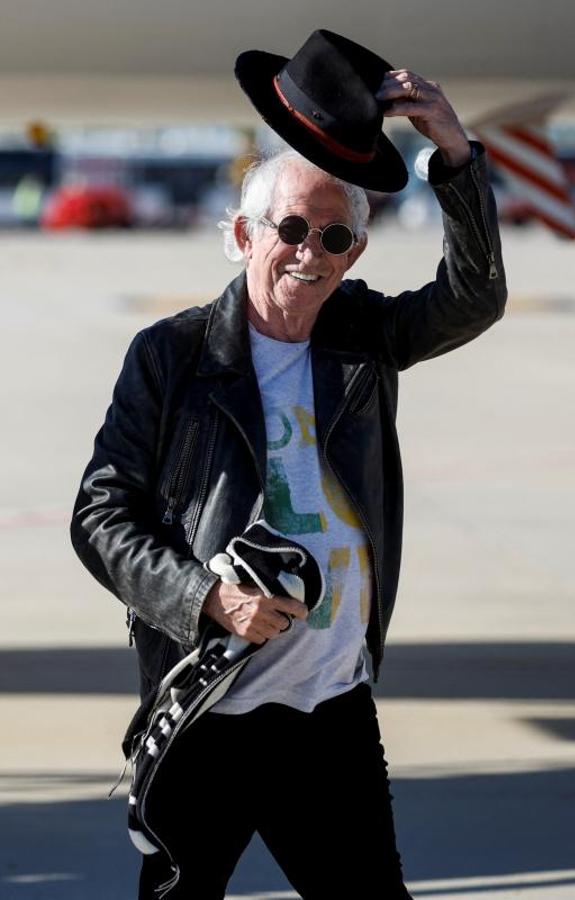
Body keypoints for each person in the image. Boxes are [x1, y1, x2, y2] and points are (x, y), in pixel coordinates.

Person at [71, 30, 506, 900]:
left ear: (356, 253)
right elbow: (100, 515)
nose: (310, 254)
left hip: (330, 713)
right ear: (242, 234)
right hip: (208, 713)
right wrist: (206, 598)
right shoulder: (172, 355)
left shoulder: (363, 337)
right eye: (293, 229)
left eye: (334, 237)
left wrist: (455, 158)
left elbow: (473, 297)